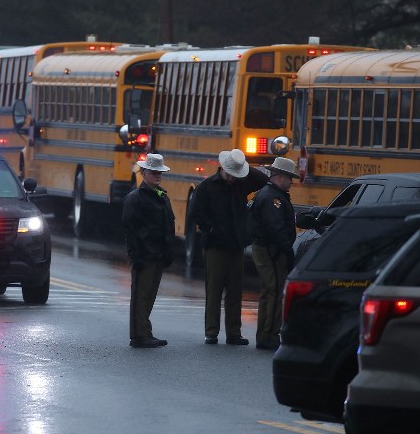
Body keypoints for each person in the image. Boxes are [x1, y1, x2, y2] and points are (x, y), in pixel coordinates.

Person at [190, 149, 268, 345]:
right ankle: (212, 332)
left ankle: (234, 332)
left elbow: (261, 180)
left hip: (236, 244)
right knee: (214, 290)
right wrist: (211, 229)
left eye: (237, 173)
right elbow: (196, 213)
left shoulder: (241, 184)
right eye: (232, 172)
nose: (234, 177)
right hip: (215, 245)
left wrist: (244, 166)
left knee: (235, 291)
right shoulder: (207, 187)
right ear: (223, 168)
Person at [122, 153, 176, 348]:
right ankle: (138, 335)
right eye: (154, 172)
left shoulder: (162, 197)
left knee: (149, 296)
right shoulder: (135, 199)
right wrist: (135, 256)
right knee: (140, 295)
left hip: (158, 255)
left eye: (160, 172)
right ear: (144, 173)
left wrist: (168, 251)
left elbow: (168, 225)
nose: (158, 176)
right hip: (144, 255)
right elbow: (130, 229)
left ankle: (145, 331)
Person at [249, 157, 299, 350]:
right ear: (279, 177)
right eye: (289, 178)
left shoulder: (270, 194)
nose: (291, 183)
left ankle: (267, 334)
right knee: (273, 291)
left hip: (268, 249)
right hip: (270, 250)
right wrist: (287, 250)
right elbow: (275, 228)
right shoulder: (273, 198)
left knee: (271, 291)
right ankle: (268, 335)